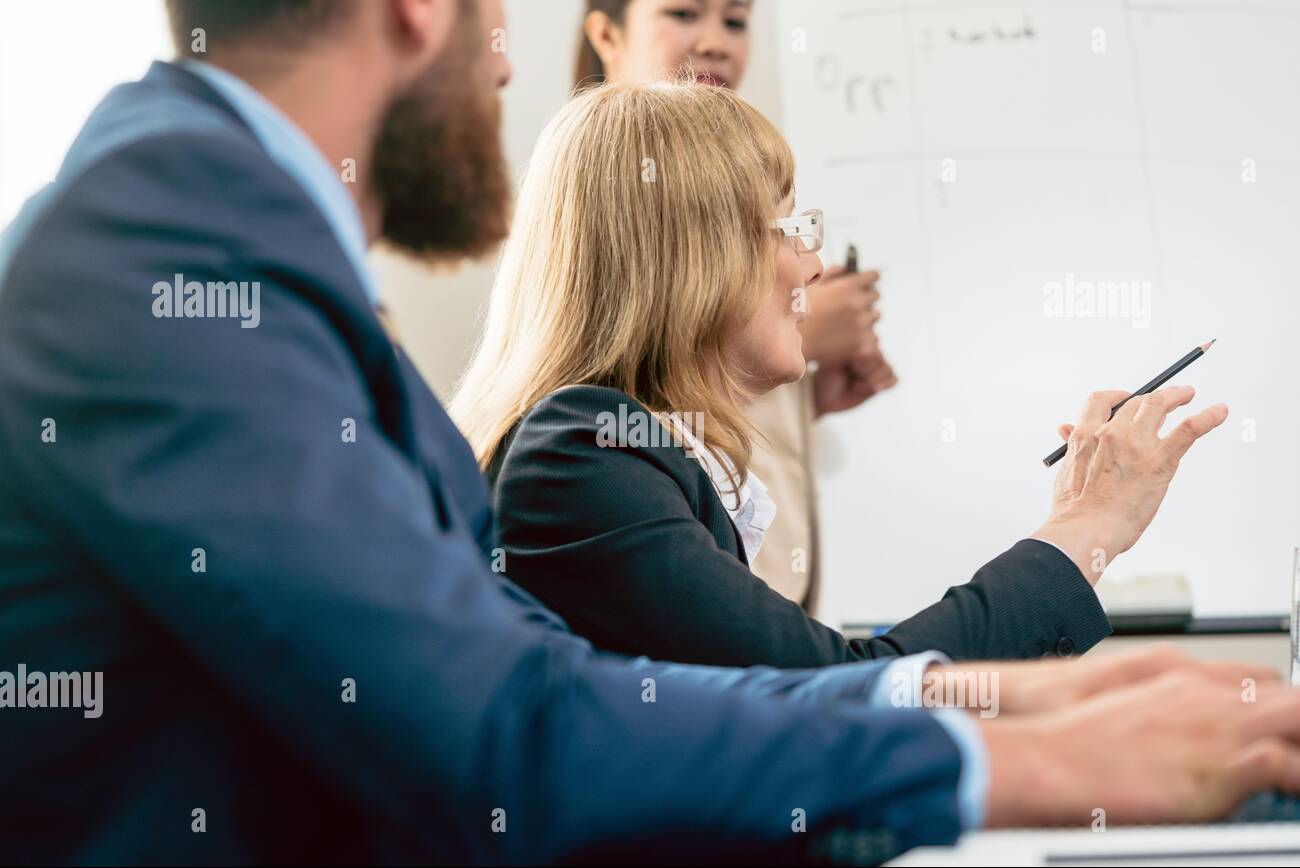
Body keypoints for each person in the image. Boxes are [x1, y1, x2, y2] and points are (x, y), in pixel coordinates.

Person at [2, 0, 1298, 866]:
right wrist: (1001, 750)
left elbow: (549, 676)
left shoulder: (234, 241)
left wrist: (1018, 695)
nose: (509, 64)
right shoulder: (169, 239)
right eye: (498, 17)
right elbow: (505, 731)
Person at [452, 80, 1209, 668]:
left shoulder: (626, 455)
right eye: (791, 227)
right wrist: (1086, 528)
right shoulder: (584, 456)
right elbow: (831, 696)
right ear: (691, 260)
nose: (813, 263)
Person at [575, 0, 893, 613]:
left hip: (767, 583)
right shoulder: (598, 201)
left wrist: (805, 396)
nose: (716, 42)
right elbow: (625, 396)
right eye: (684, 14)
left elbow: (696, 409)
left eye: (736, 22)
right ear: (606, 34)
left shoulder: (733, 178)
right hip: (706, 597)